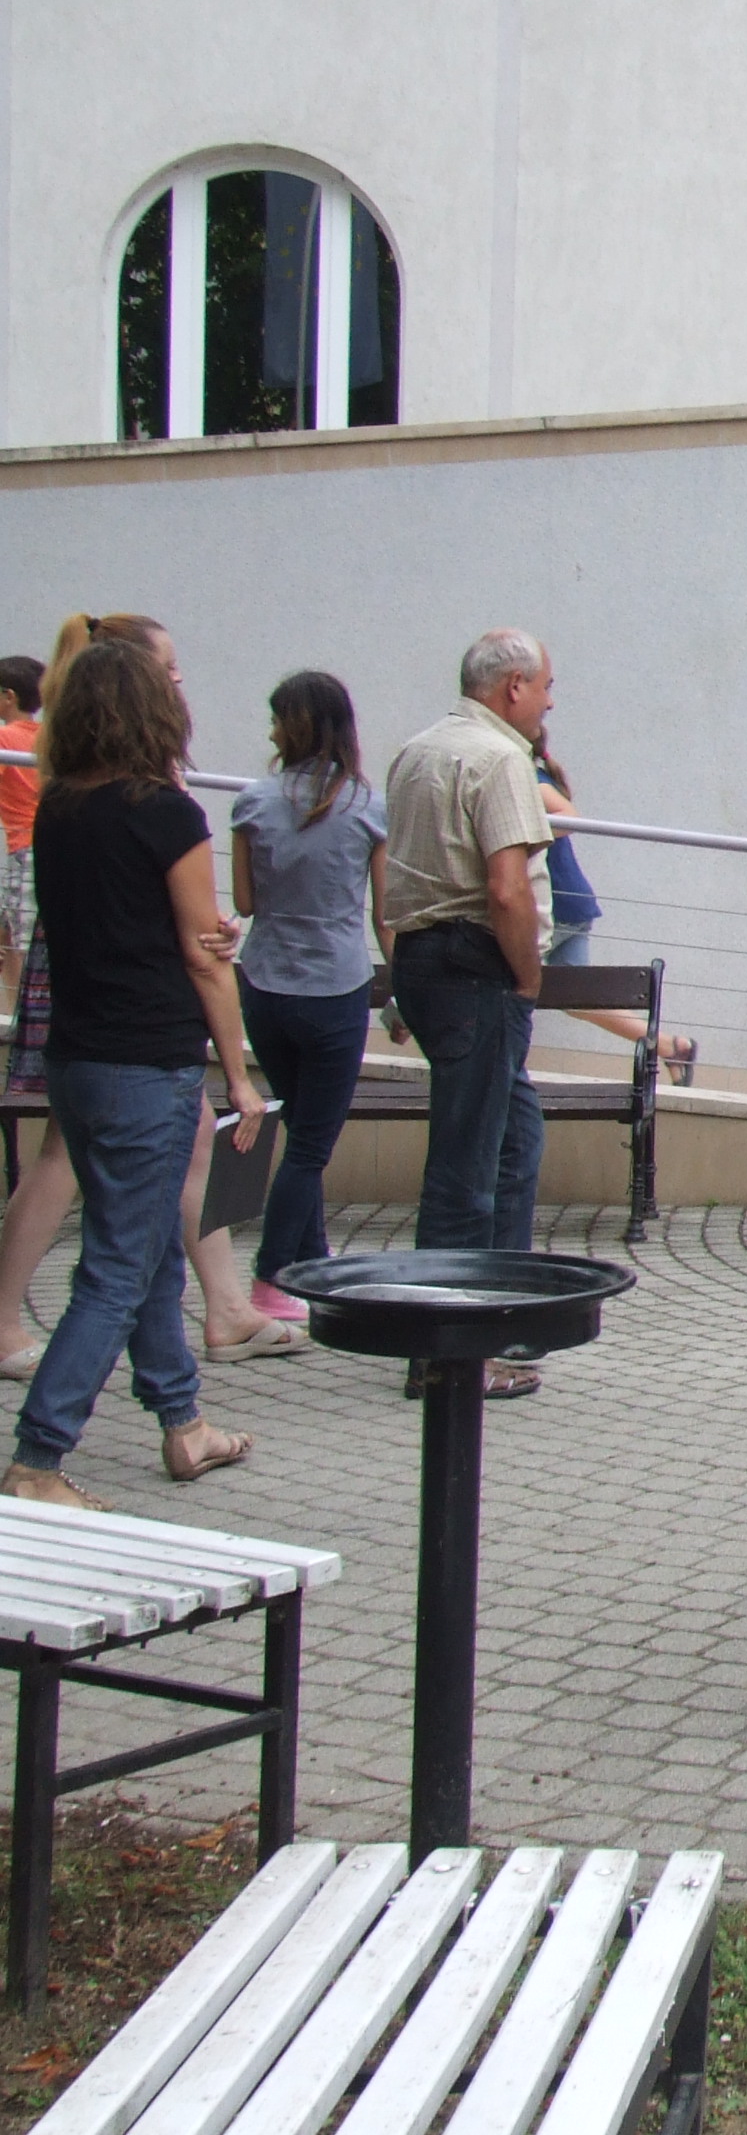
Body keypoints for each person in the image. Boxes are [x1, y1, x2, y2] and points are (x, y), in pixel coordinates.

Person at [4, 631, 265, 1508]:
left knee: (148, 1249)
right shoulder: (167, 815)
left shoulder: (57, 809)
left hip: (76, 1058)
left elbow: (131, 922)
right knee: (116, 1269)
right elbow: (202, 955)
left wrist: (200, 936)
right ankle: (37, 1461)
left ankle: (183, 1423)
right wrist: (239, 1075)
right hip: (147, 1062)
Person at [382, 629, 556, 1396]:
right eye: (546, 686)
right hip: (474, 966)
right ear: (514, 685)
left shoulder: (418, 750)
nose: (549, 702)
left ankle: (500, 1319)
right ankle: (447, 1354)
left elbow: (389, 872)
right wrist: (526, 977)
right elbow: (507, 889)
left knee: (513, 1138)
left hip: (426, 959)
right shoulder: (499, 758)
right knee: (467, 1167)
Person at [231, 670, 383, 1326]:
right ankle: (270, 1279)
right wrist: (401, 995)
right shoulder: (367, 807)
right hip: (335, 988)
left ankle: (313, 1264)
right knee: (310, 1147)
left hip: (264, 984)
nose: (269, 732)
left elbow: (244, 903)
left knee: (301, 1132)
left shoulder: (251, 803)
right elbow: (385, 915)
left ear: (292, 726)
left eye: (275, 720)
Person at [529, 741, 694, 1081]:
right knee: (577, 1000)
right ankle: (669, 1046)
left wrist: (522, 836)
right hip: (571, 904)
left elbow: (569, 817)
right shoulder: (536, 776)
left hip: (556, 906)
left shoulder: (530, 780)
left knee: (506, 976)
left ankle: (498, 1064)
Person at [0, 653, 41, 1034]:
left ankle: (15, 1019)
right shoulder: (47, 737)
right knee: (11, 932)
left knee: (20, 937)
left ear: (9, 696)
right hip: (43, 844)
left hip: (23, 847)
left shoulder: (5, 739)